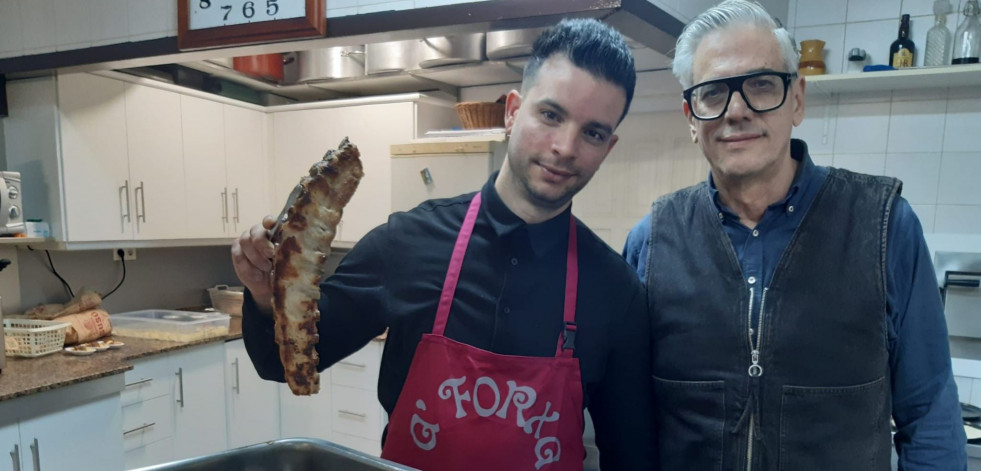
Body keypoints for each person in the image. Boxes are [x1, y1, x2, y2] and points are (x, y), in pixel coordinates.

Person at [233, 18, 654, 471]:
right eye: (550, 115)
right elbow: (285, 363)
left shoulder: (616, 291)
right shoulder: (406, 244)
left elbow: (631, 454)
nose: (565, 147)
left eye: (592, 133)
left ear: (607, 148)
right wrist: (263, 294)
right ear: (512, 112)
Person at [622, 1, 966, 469]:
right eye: (712, 92)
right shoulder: (653, 243)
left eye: (761, 85)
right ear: (690, 115)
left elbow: (929, 417)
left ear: (797, 99)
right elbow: (629, 421)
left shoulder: (884, 228)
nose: (737, 110)